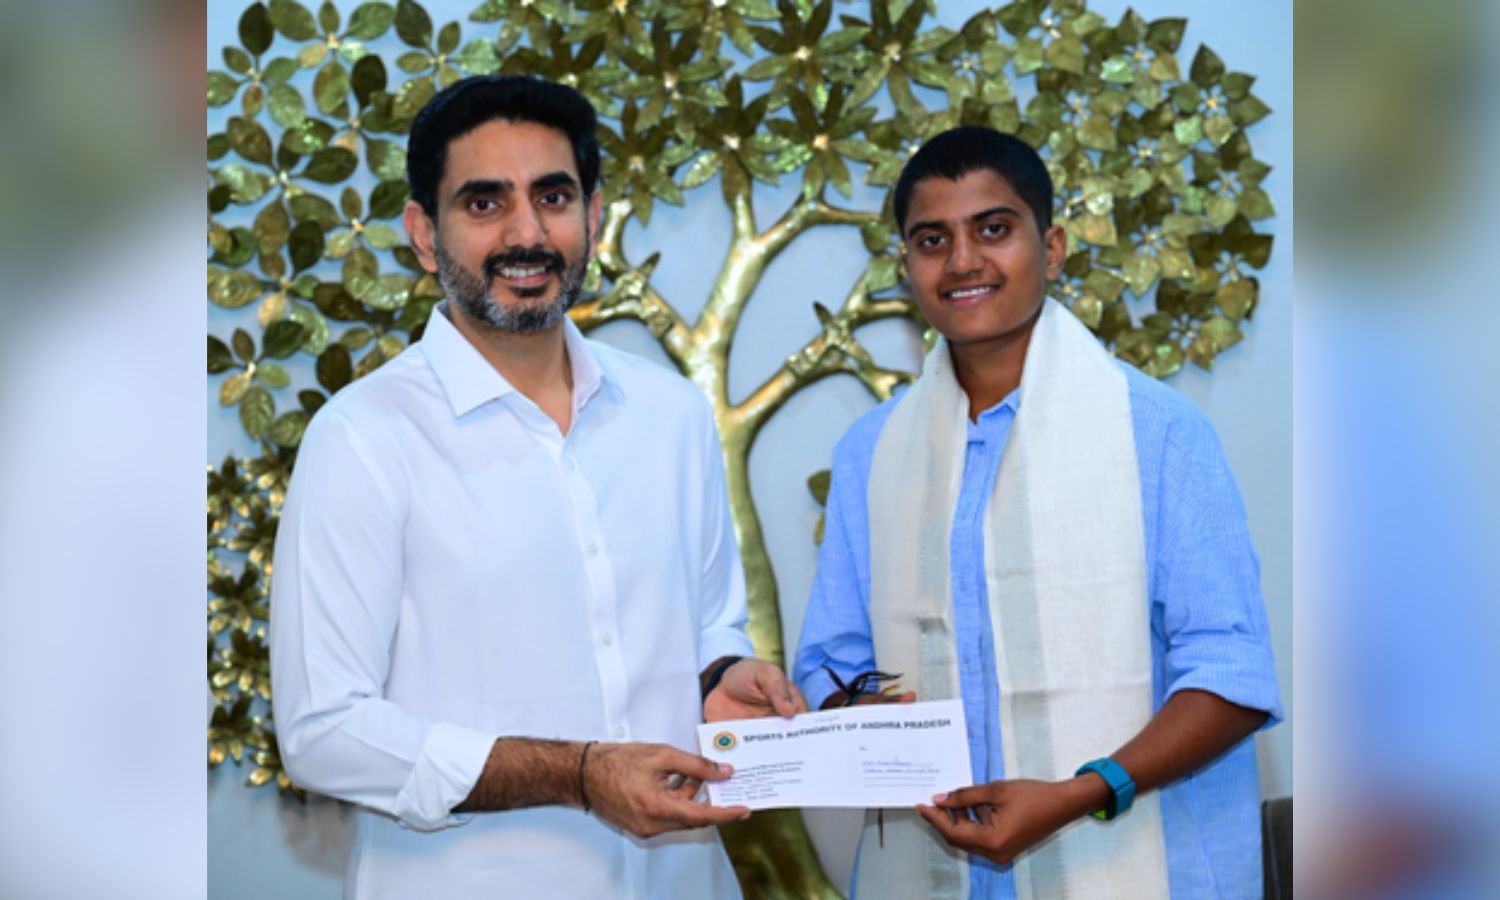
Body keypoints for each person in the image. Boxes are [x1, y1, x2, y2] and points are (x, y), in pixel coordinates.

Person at [270, 74, 806, 899]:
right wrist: (578, 774)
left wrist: (719, 677)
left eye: (552, 198)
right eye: (485, 203)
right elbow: (323, 731)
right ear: (424, 234)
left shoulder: (669, 414)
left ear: (593, 216)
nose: (527, 233)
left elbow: (706, 624)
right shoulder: (363, 438)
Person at [792, 126, 1282, 899]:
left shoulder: (1155, 433)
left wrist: (1084, 791)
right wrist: (866, 715)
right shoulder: (872, 453)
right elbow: (834, 659)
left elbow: (1231, 674)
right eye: (932, 240)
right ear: (907, 265)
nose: (962, 261)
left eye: (994, 229)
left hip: (1138, 861)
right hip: (929, 868)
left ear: (1051, 249)